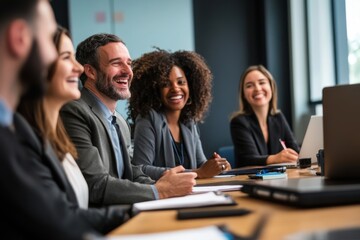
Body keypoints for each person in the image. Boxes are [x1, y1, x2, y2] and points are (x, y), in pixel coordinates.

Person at [0, 0, 100, 238]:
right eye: (48, 40)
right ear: (20, 38)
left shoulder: (10, 131)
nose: (78, 68)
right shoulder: (13, 137)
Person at [60, 33, 197, 206]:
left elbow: (130, 173)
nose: (127, 71)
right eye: (116, 63)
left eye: (129, 63)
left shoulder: (120, 121)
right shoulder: (74, 112)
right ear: (90, 71)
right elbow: (95, 185)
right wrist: (159, 190)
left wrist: (165, 183)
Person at [18, 25, 128, 233]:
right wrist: (134, 212)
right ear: (37, 66)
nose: (78, 69)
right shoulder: (23, 139)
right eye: (66, 57)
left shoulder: (55, 136)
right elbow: (59, 217)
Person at [128, 49, 231, 180]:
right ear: (155, 89)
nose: (175, 88)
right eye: (165, 84)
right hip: (162, 196)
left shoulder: (188, 122)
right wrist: (198, 173)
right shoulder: (148, 119)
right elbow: (141, 168)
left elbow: (200, 164)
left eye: (181, 82)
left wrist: (216, 166)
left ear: (191, 86)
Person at [230, 65, 299, 168]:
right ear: (243, 94)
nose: (257, 89)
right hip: (251, 181)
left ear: (271, 87)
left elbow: (295, 150)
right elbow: (248, 159)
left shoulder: (278, 117)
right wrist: (276, 158)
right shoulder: (238, 122)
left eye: (262, 82)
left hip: (280, 180)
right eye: (249, 86)